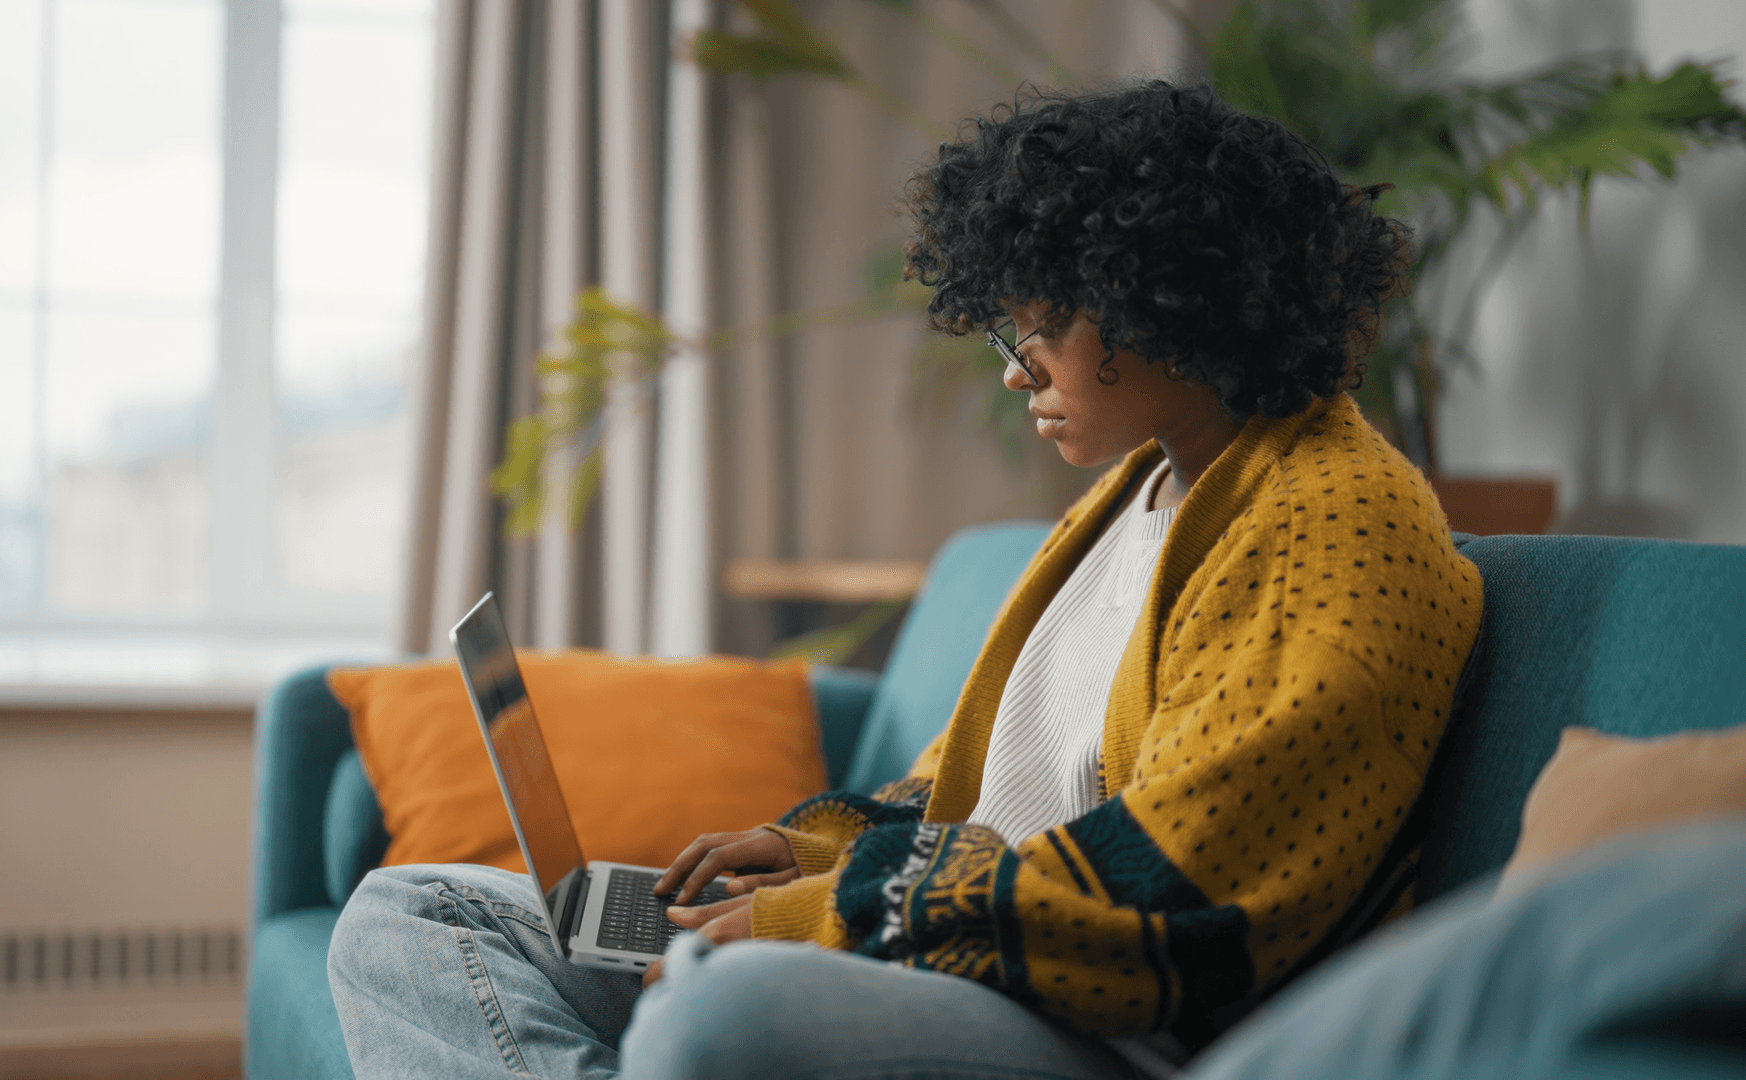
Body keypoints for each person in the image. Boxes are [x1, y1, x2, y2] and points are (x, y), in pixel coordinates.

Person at [327, 80, 1483, 1080]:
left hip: (1108, 1031)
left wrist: (810, 920)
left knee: (716, 1012)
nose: (1016, 360)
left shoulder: (1334, 525)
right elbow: (975, 802)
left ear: (1156, 300)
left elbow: (1163, 905)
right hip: (957, 965)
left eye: (1040, 315)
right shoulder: (1134, 499)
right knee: (412, 916)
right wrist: (814, 855)